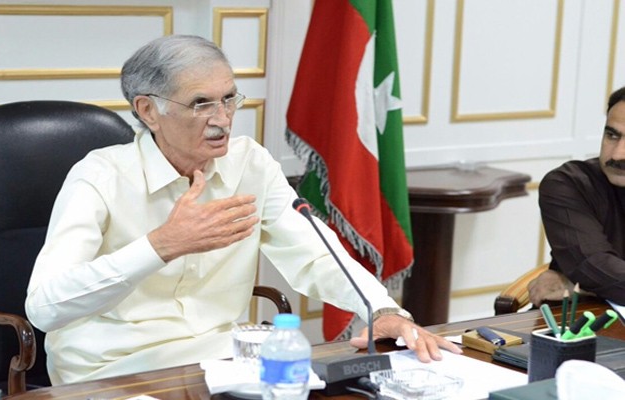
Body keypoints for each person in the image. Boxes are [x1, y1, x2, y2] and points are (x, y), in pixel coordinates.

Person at [25, 34, 461, 385]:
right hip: (113, 368)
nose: (222, 118)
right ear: (148, 111)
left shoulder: (250, 164)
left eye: (230, 98)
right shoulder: (100, 176)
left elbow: (314, 252)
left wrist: (381, 309)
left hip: (221, 361)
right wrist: (161, 245)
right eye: (201, 103)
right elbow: (45, 308)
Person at [529, 85, 625, 306]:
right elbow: (594, 267)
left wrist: (583, 287)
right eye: (612, 135)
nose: (617, 154)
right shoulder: (569, 184)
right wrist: (594, 284)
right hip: (584, 321)